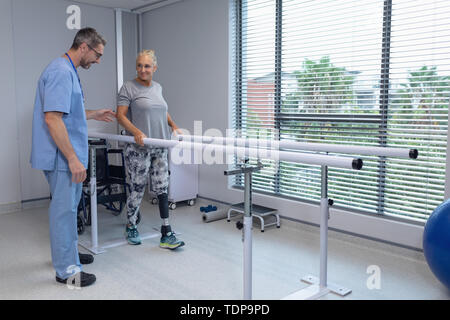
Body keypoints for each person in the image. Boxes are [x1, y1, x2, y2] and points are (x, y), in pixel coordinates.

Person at [31, 27, 116, 287]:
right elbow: (53, 118)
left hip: (67, 155)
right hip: (62, 158)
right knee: (63, 212)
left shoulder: (68, 70)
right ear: (84, 47)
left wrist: (92, 114)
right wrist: (72, 159)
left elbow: (66, 111)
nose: (98, 60)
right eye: (97, 54)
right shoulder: (60, 71)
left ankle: (68, 254)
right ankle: (67, 271)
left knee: (69, 211)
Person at [117, 49, 184, 250]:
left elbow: (162, 111)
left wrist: (174, 125)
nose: (142, 69)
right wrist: (136, 132)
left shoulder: (158, 88)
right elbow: (120, 116)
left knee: (162, 187)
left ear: (154, 68)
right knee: (137, 188)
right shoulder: (128, 88)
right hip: (139, 147)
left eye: (147, 66)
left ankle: (166, 231)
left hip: (160, 145)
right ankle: (131, 224)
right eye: (139, 65)